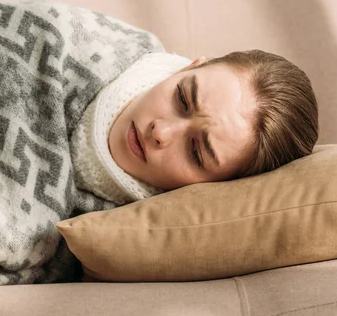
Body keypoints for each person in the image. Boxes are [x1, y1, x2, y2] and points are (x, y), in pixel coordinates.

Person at [71, 49, 318, 205]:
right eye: (182, 98)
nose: (160, 132)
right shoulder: (76, 44)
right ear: (190, 66)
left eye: (195, 153)